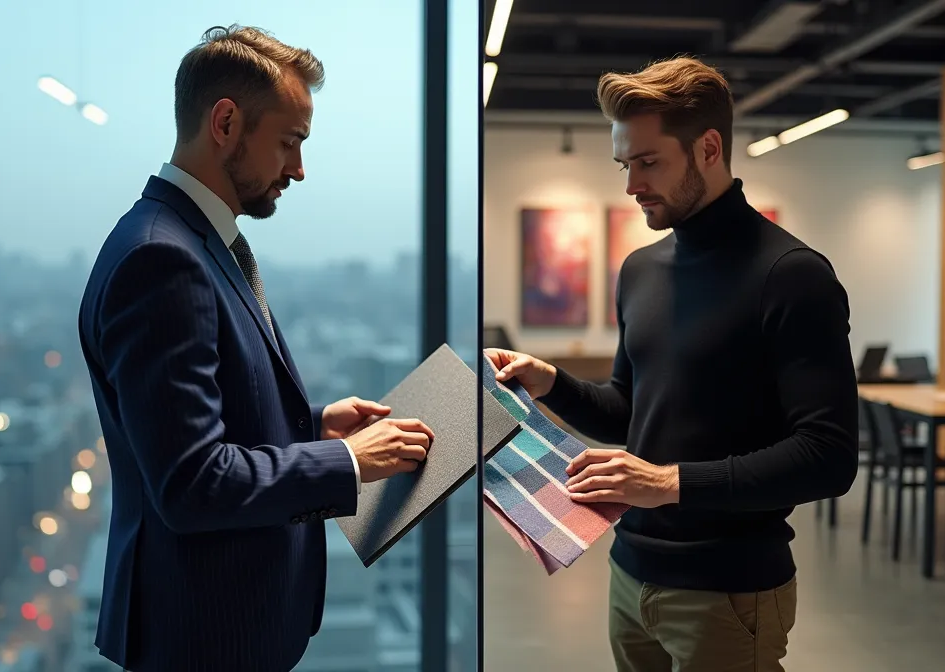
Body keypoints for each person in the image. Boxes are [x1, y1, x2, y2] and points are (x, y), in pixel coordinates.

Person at [78, 25, 434, 672]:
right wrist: (347, 461)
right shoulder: (162, 260)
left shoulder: (190, 242)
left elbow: (205, 422)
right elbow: (191, 483)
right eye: (290, 141)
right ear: (225, 123)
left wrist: (312, 424)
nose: (298, 169)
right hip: (206, 638)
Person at [486, 56, 859, 672]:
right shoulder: (640, 271)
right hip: (629, 574)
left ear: (708, 149)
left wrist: (665, 483)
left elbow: (829, 457)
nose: (631, 184)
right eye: (625, 165)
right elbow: (629, 413)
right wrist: (548, 381)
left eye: (648, 162)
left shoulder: (792, 276)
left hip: (729, 591)